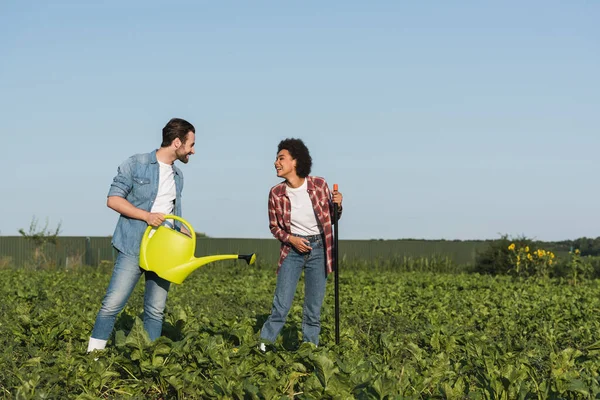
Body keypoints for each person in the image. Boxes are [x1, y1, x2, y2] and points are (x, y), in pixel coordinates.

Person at [87, 118, 196, 353]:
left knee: (155, 311)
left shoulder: (178, 177)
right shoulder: (136, 164)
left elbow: (169, 212)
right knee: (112, 304)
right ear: (177, 142)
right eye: (190, 144)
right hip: (132, 246)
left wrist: (182, 230)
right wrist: (146, 216)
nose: (193, 150)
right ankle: (91, 359)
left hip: (162, 251)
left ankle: (148, 361)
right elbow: (113, 200)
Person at [259, 138, 343, 350]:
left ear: (296, 161)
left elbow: (331, 219)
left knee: (313, 310)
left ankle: (309, 351)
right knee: (281, 306)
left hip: (319, 249)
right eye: (276, 158)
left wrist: (338, 205)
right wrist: (292, 239)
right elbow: (274, 227)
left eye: (281, 158)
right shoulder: (276, 194)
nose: (276, 163)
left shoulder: (319, 185)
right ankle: (263, 347)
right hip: (292, 250)